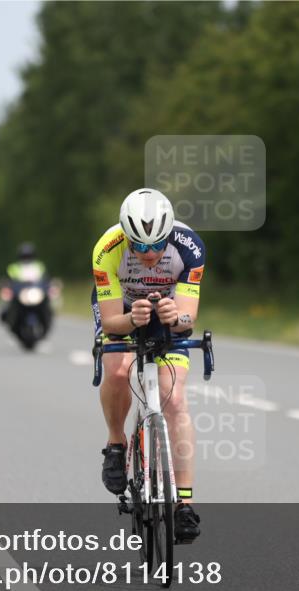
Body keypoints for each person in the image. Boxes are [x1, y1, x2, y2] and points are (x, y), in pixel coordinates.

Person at [92, 188, 205, 543]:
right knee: (119, 371)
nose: (151, 253)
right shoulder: (106, 250)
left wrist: (177, 317)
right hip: (123, 311)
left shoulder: (190, 247)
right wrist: (131, 319)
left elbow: (188, 317)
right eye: (139, 247)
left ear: (169, 233)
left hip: (167, 312)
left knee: (175, 401)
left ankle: (183, 503)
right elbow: (111, 323)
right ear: (126, 237)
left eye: (157, 244)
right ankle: (115, 443)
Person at [1, 243, 53, 334]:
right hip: (20, 293)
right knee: (9, 305)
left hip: (35, 291)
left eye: (28, 256)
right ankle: (11, 321)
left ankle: (47, 322)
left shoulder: (39, 266)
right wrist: (7, 285)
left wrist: (48, 286)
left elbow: (46, 278)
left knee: (47, 305)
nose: (27, 259)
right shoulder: (14, 267)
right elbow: (8, 280)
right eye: (25, 256)